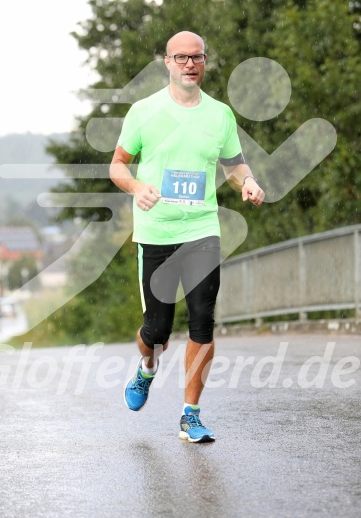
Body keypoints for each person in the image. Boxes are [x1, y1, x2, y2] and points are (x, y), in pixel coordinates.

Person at [109, 31, 265, 443]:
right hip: (156, 233)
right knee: (157, 331)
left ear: (205, 62)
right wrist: (137, 188)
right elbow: (118, 166)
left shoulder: (220, 115)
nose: (190, 64)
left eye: (197, 57)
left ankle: (190, 415)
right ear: (167, 62)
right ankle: (146, 369)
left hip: (201, 231)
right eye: (181, 58)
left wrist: (247, 183)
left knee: (203, 323)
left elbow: (234, 165)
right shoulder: (144, 112)